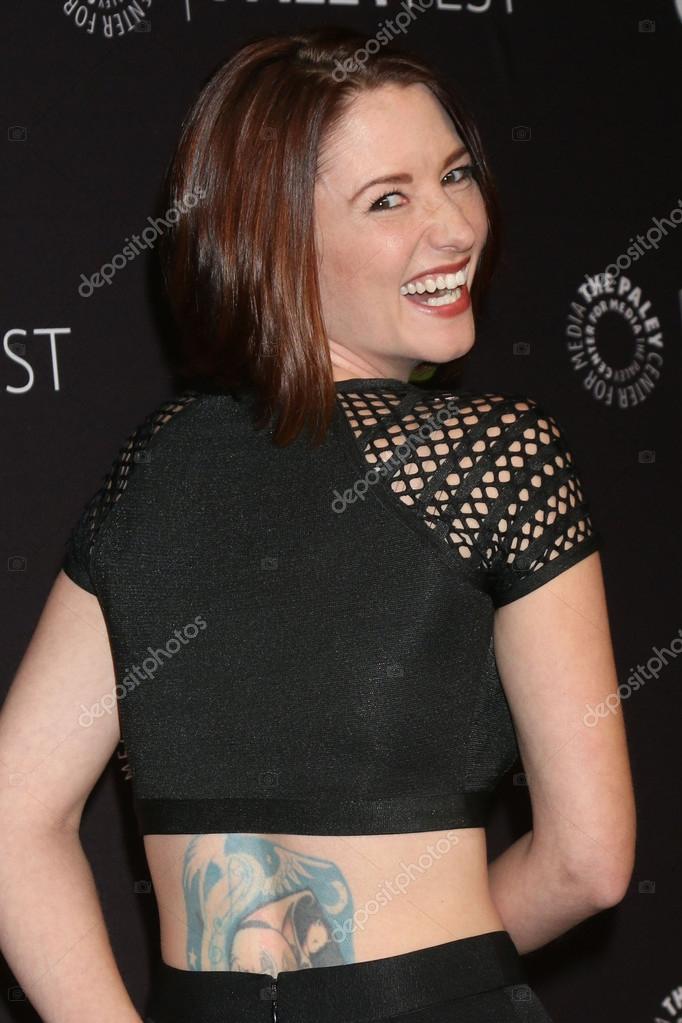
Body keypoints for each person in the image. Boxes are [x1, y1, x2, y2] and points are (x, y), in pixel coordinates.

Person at [0, 26, 636, 1023]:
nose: (455, 226)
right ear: (277, 242)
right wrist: (422, 972)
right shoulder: (492, 455)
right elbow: (586, 862)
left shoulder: (156, 465)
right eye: (389, 199)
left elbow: (10, 818)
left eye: (455, 175)